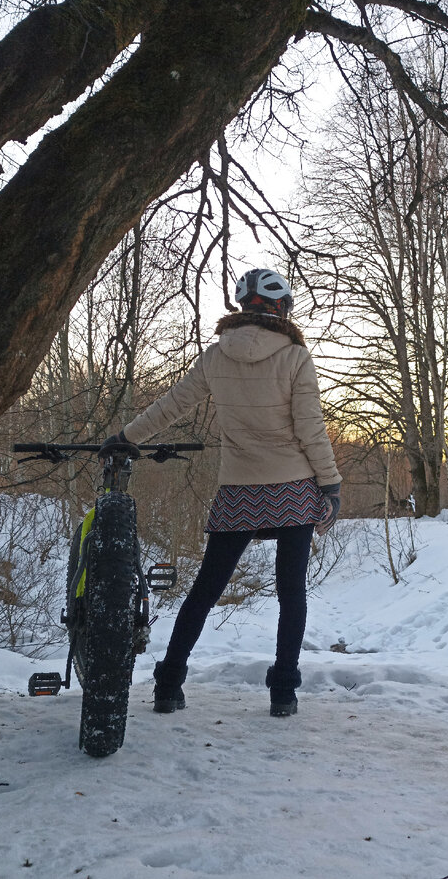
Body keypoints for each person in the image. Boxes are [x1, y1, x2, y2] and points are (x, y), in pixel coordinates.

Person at [103, 268, 341, 717]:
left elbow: (172, 404)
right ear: (281, 309)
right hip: (292, 484)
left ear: (242, 308)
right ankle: (283, 694)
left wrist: (126, 436)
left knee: (205, 590)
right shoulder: (295, 357)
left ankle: (168, 684)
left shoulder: (216, 356)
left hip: (238, 487)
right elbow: (311, 429)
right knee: (292, 594)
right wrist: (330, 484)